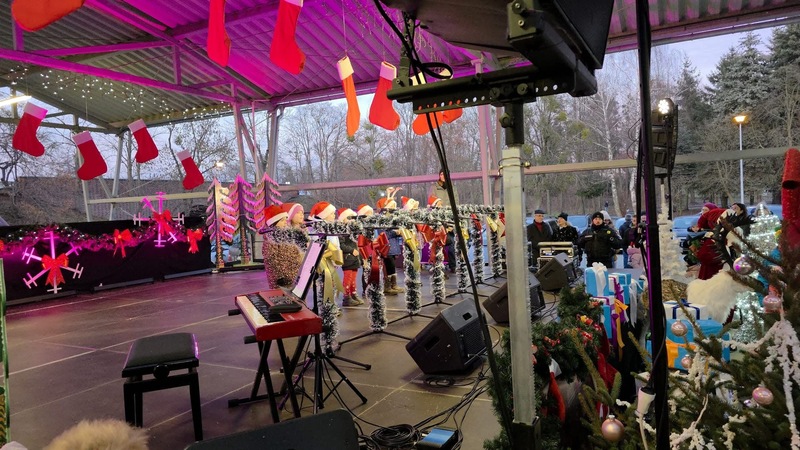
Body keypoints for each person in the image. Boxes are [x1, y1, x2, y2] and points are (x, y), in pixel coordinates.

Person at [337, 208, 364, 306]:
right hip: (348, 258)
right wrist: (352, 250)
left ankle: (353, 294)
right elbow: (341, 245)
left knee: (353, 278)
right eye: (349, 218)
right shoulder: (341, 230)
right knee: (348, 278)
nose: (351, 220)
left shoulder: (353, 230)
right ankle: (346, 296)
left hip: (354, 258)